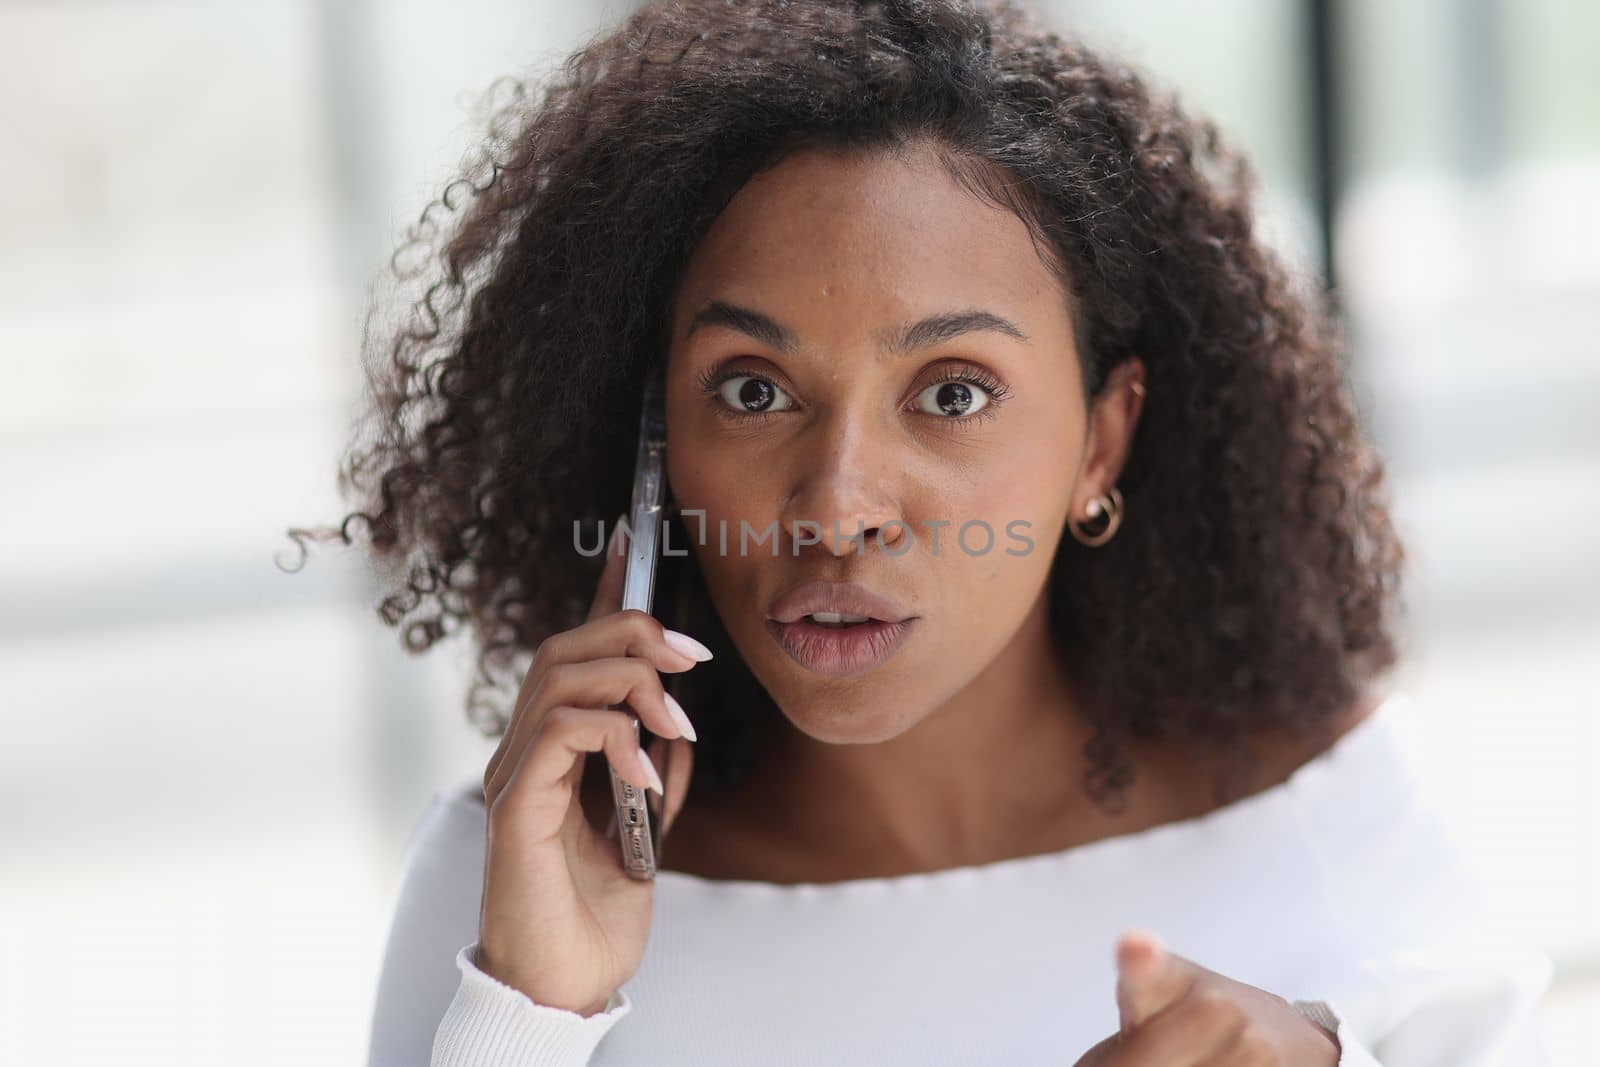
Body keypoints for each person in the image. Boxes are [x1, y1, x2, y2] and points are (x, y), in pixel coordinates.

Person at [290, 1, 1555, 1063]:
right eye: (750, 389)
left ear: (1100, 443)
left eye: (952, 393)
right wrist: (526, 1014)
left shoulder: (1331, 820)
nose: (836, 504)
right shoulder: (507, 876)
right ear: (652, 451)